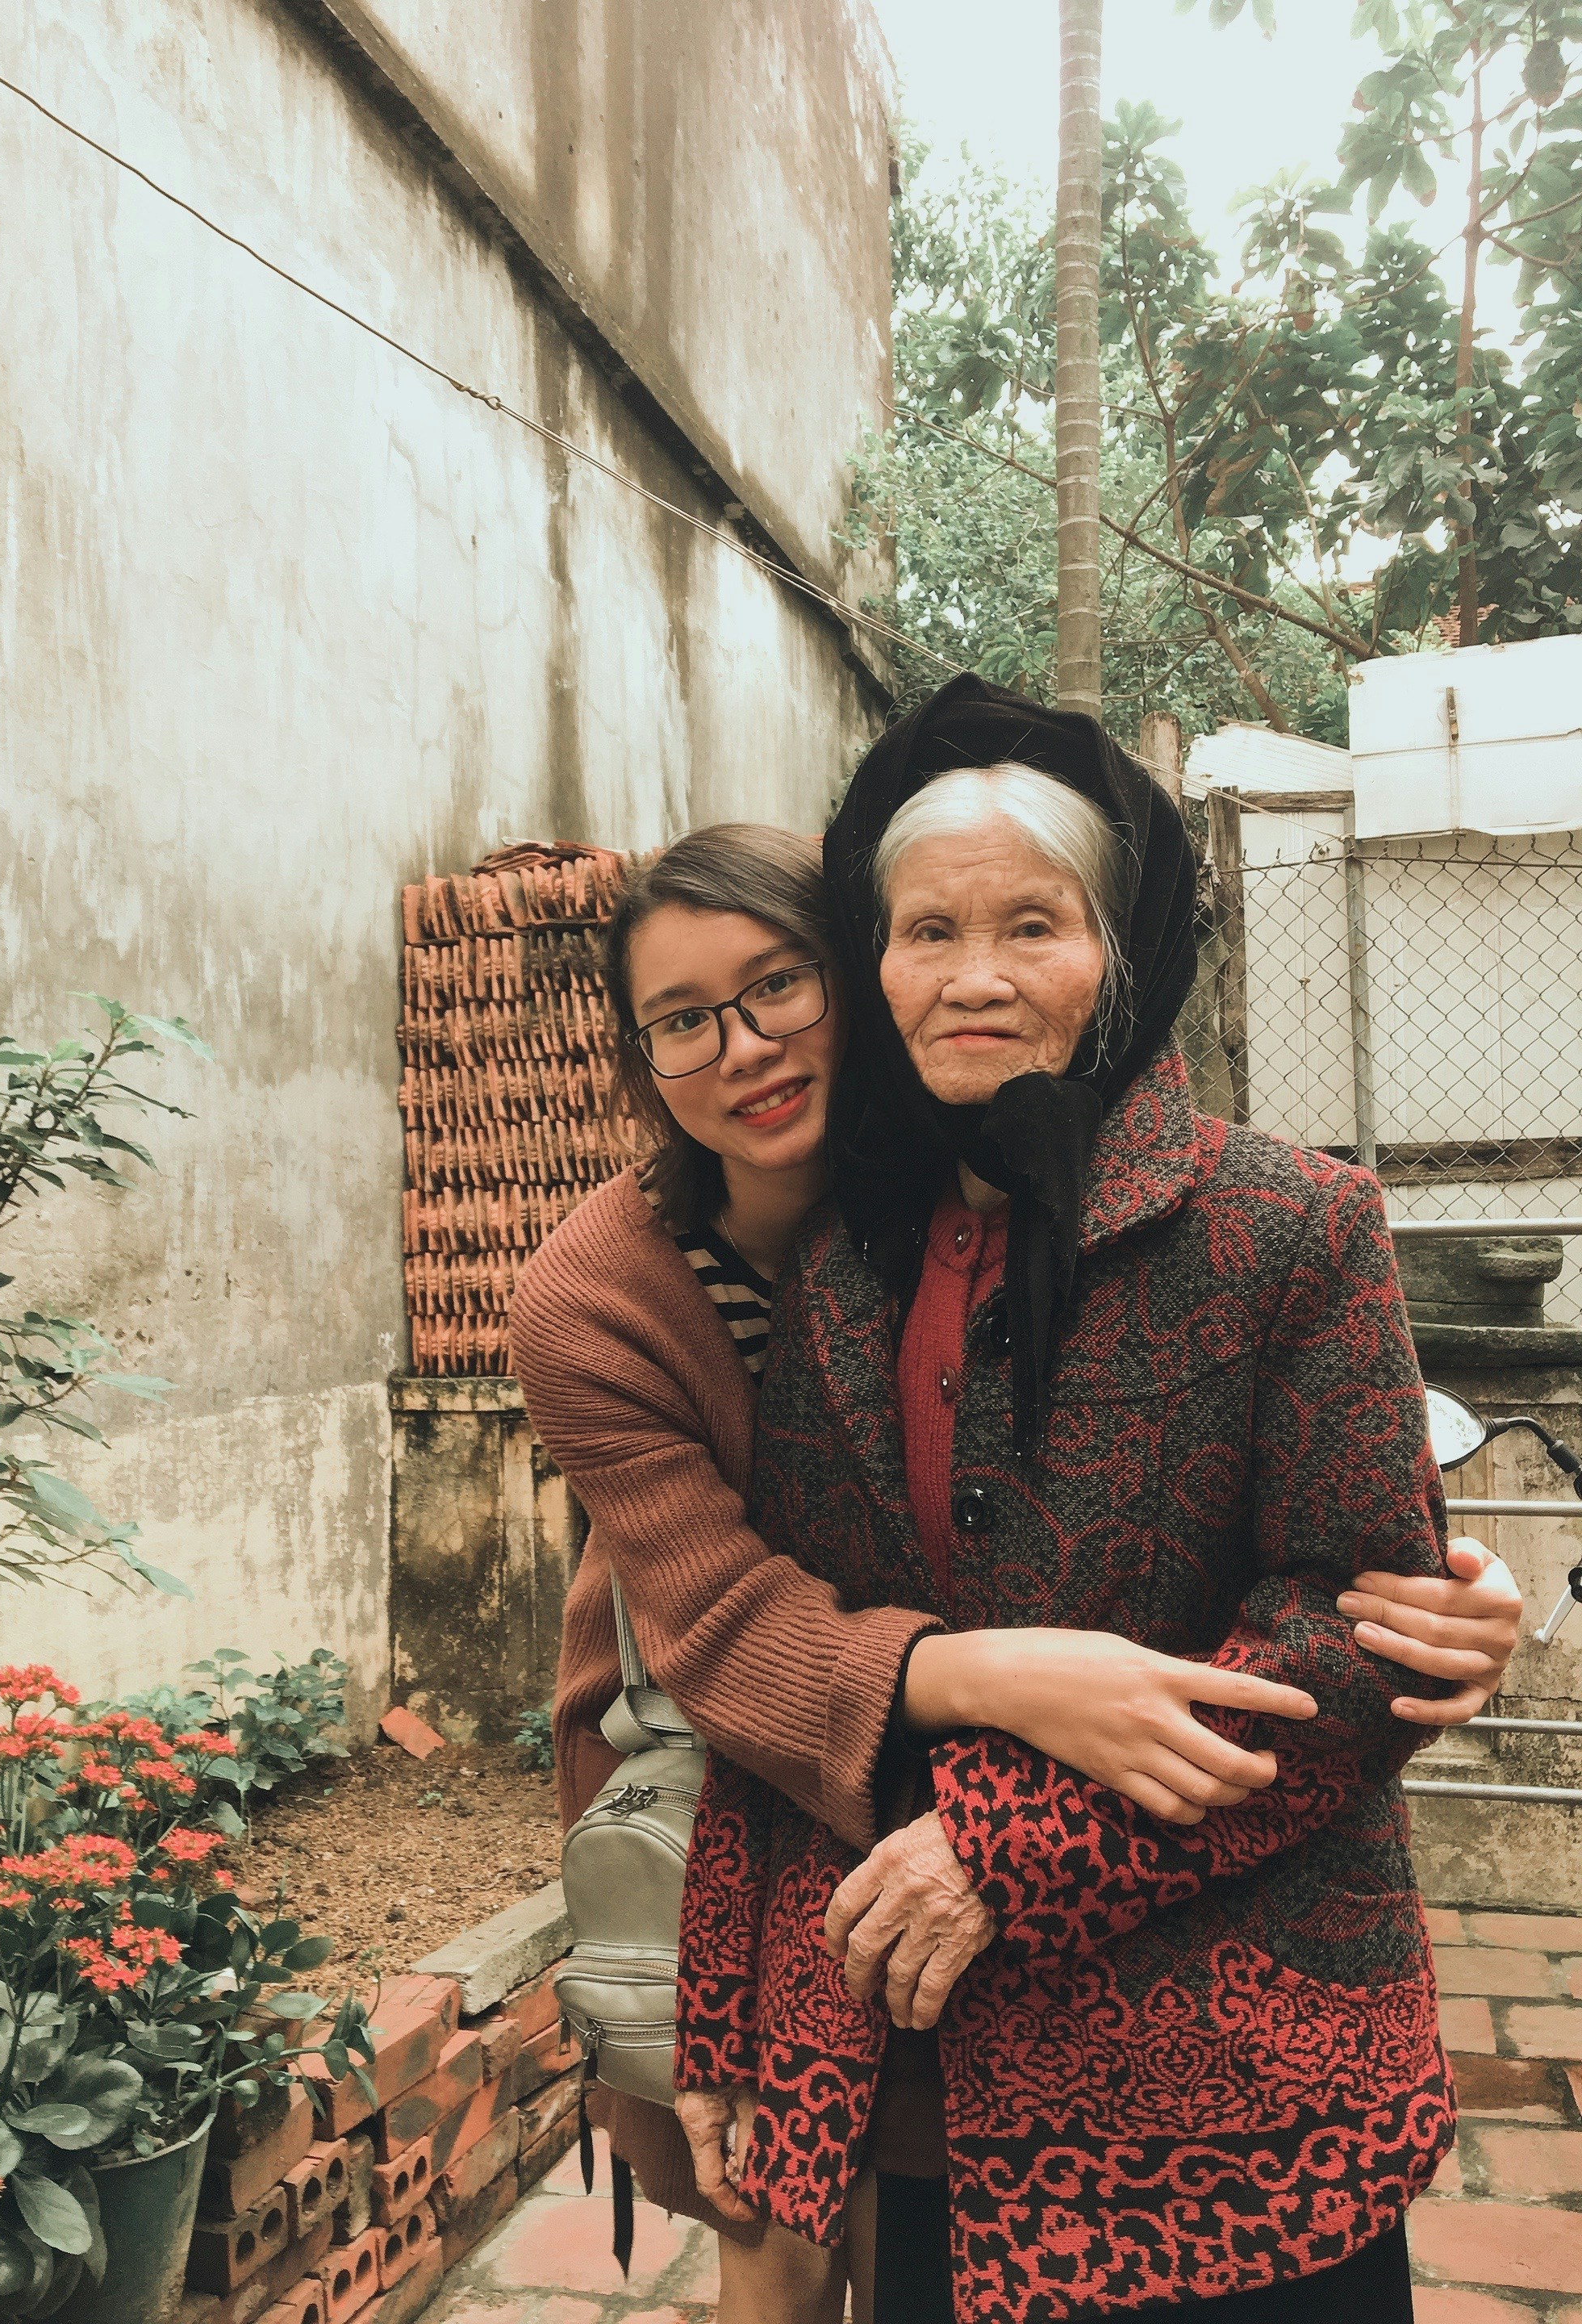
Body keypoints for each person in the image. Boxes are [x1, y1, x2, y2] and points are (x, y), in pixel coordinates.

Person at [508, 814, 1519, 2324]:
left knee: (890, 2161)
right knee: (764, 2209)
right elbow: (717, 1622)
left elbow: (1267, 1528)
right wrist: (1000, 1677)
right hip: (723, 1754)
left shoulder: (1021, 1195)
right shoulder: (599, 1292)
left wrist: (1419, 1600)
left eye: (783, 985)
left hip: (1016, 1830)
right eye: (681, 1022)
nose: (743, 1047)